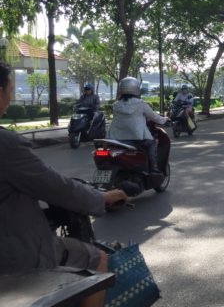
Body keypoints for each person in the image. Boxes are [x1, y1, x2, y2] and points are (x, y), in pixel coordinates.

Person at [0, 61, 128, 307]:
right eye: (10, 89)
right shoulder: (7, 144)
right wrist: (101, 197)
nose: (11, 96)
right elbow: (54, 186)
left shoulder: (99, 102)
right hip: (12, 253)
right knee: (97, 258)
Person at [108, 77, 168, 174]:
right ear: (136, 89)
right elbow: (154, 117)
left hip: (116, 138)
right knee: (151, 143)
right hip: (136, 138)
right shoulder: (140, 104)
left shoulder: (116, 105)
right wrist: (165, 120)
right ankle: (153, 168)